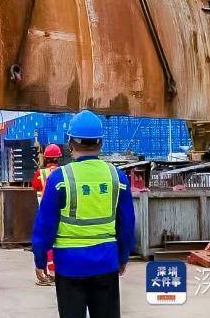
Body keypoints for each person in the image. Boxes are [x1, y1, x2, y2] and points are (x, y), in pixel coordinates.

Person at [32, 111, 136, 318]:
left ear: (70, 144)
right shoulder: (118, 177)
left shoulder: (60, 178)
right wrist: (123, 257)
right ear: (101, 143)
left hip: (69, 267)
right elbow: (127, 225)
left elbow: (45, 225)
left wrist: (40, 259)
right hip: (106, 263)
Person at [31, 143, 62, 285]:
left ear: (46, 158)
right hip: (62, 214)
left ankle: (49, 273)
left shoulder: (40, 174)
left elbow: (34, 187)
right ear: (59, 158)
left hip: (44, 213)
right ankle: (58, 272)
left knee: (46, 243)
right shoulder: (64, 172)